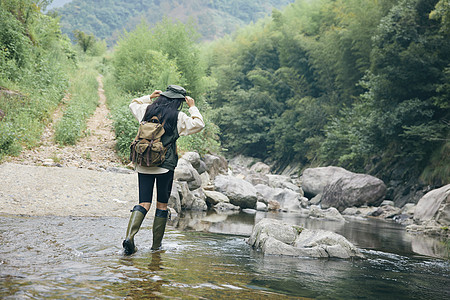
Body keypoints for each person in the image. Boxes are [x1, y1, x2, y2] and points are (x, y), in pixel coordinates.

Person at [123, 85, 205, 255]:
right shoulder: (179, 117)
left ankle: (129, 238)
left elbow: (133, 104)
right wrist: (192, 107)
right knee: (161, 205)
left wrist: (149, 97)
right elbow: (199, 124)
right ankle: (155, 248)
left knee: (143, 203)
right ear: (179, 101)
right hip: (164, 166)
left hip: (143, 163)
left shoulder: (147, 109)